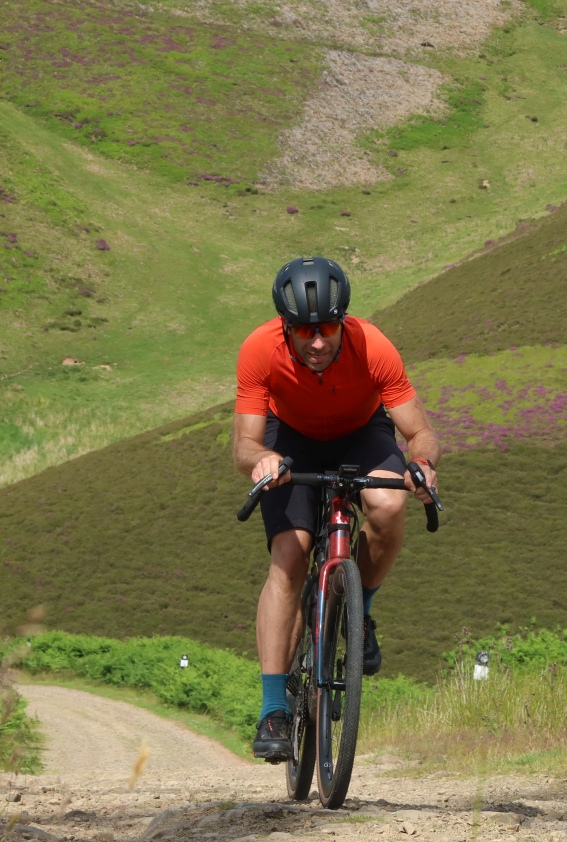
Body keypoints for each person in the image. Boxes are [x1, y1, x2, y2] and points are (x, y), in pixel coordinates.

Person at [232, 256, 440, 761]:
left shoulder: (374, 346)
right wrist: (263, 461)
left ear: (342, 320)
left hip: (361, 433)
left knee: (389, 505)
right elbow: (244, 444)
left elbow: (419, 431)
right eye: (304, 330)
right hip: (290, 440)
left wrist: (423, 465)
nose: (317, 341)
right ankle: (274, 708)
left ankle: (359, 613)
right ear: (286, 327)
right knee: (290, 551)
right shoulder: (259, 350)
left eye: (326, 327)